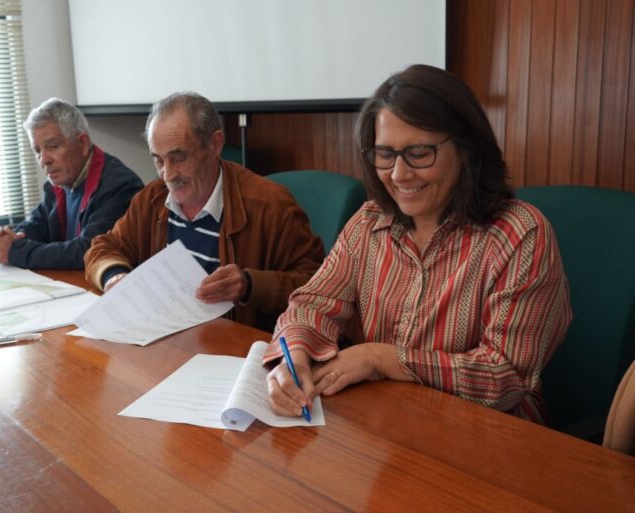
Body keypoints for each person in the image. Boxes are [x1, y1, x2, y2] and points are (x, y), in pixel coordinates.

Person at [265, 64, 572, 424]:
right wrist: (295, 355)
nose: (398, 174)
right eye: (385, 154)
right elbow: (313, 303)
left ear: (466, 149)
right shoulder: (370, 222)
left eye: (419, 153)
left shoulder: (520, 234)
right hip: (389, 422)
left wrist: (382, 358)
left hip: (489, 433)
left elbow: (506, 376)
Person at [84, 92, 324, 331]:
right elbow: (103, 247)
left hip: (234, 350)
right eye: (158, 160)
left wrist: (250, 285)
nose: (167, 174)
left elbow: (319, 288)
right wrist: (114, 277)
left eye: (178, 158)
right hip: (166, 341)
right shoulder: (152, 199)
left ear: (215, 144)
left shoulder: (271, 206)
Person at [0, 98, 143, 269]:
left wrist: (15, 251)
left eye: (53, 146)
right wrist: (5, 239)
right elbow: (36, 226)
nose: (44, 159)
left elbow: (89, 251)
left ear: (83, 143)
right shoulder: (59, 183)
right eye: (37, 150)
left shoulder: (120, 186)